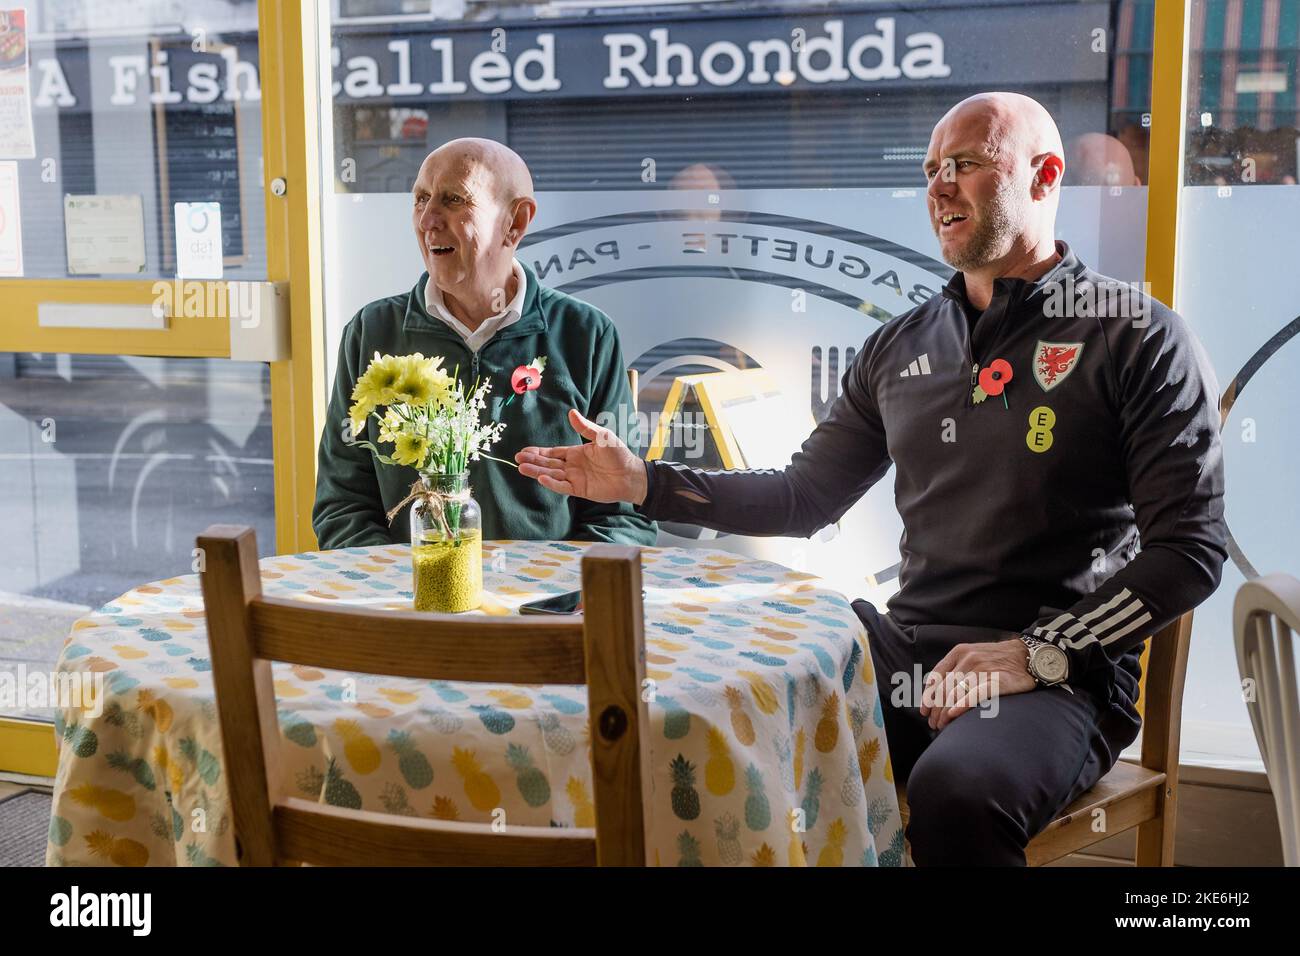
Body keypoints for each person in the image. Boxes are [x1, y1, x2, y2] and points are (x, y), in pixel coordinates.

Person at [515, 93, 1227, 865]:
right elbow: (802, 498)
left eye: (966, 164)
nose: (940, 186)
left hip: (1059, 677)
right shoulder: (898, 345)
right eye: (930, 170)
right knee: (712, 719)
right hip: (903, 651)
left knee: (958, 794)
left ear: (1045, 175)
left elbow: (1189, 551)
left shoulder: (1138, 336)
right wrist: (642, 484)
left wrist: (1035, 653)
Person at [313, 138, 656, 548]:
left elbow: (622, 516)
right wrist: (405, 591)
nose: (427, 221)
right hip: (412, 596)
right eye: (420, 199)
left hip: (548, 603)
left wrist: (564, 598)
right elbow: (342, 505)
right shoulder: (371, 333)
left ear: (516, 221)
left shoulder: (587, 335)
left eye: (453, 200)